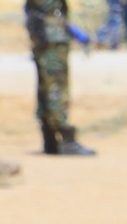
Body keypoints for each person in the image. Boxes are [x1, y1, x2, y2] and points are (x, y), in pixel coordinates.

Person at [25, 0, 94, 157]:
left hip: (44, 34)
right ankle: (65, 137)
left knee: (46, 86)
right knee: (56, 86)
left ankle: (50, 139)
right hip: (52, 37)